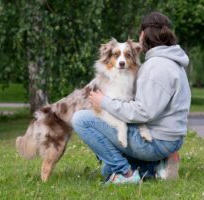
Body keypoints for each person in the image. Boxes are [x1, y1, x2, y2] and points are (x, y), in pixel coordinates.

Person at [71, 12, 191, 184]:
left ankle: (126, 174)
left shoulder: (155, 67)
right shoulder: (173, 61)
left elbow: (143, 112)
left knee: (81, 119)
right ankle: (158, 166)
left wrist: (104, 101)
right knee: (106, 168)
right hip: (172, 138)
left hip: (156, 141)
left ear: (143, 35)